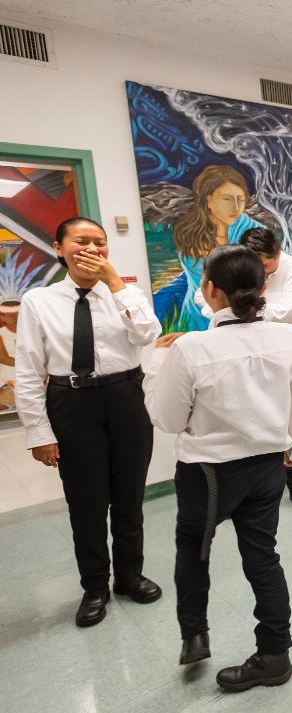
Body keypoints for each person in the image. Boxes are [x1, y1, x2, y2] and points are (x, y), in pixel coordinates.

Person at [144, 244, 292, 690]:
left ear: (209, 290)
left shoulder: (191, 349)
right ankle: (275, 654)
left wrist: (154, 363)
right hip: (267, 467)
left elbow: (166, 419)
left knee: (194, 551)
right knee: (263, 558)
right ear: (263, 287)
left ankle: (195, 633)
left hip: (209, 473)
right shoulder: (290, 338)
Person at [15, 217, 162, 628]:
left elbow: (148, 334)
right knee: (86, 502)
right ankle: (95, 586)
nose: (94, 249)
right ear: (59, 248)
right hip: (71, 401)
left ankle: (130, 576)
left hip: (126, 398)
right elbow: (28, 370)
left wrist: (116, 285)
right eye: (82, 241)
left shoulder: (125, 294)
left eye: (101, 243)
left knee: (130, 496)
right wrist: (38, 432)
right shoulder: (38, 302)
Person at [197, 228, 292, 511]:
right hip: (245, 350)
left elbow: (282, 311)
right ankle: (261, 485)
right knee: (251, 414)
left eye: (263, 266)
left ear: (276, 255)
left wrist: (233, 305)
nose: (256, 273)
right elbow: (201, 299)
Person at [172, 165, 261, 331]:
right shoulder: (191, 234)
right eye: (227, 199)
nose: (236, 207)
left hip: (241, 323)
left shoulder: (252, 230)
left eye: (240, 200)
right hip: (196, 318)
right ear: (209, 200)